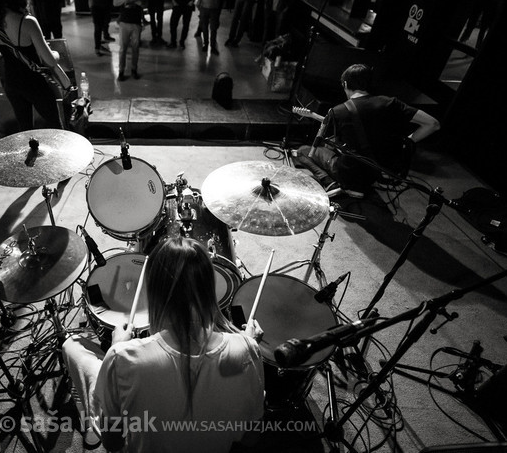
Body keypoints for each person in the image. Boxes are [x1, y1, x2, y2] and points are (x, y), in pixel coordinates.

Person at [62, 237, 265, 451]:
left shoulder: (123, 358)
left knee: (72, 346)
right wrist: (247, 346)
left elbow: (113, 443)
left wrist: (116, 347)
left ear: (154, 292)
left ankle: (96, 407)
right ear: (209, 289)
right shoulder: (248, 351)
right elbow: (250, 438)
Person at [293, 64, 441, 198]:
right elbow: (433, 124)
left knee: (302, 151)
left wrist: (311, 116)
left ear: (345, 84)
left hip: (349, 172)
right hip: (377, 172)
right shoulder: (389, 103)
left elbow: (330, 123)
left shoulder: (340, 110)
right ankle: (355, 187)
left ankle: (330, 182)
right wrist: (407, 142)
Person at [0, 0, 71, 133]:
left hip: (11, 83)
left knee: (25, 129)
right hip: (34, 84)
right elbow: (49, 61)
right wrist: (56, 53)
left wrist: (8, 49)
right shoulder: (27, 22)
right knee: (56, 126)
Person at [113, 0, 145, 81]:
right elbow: (115, 3)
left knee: (136, 48)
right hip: (124, 21)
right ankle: (121, 71)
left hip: (136, 21)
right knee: (123, 48)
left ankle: (134, 70)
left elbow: (144, 2)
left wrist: (139, 2)